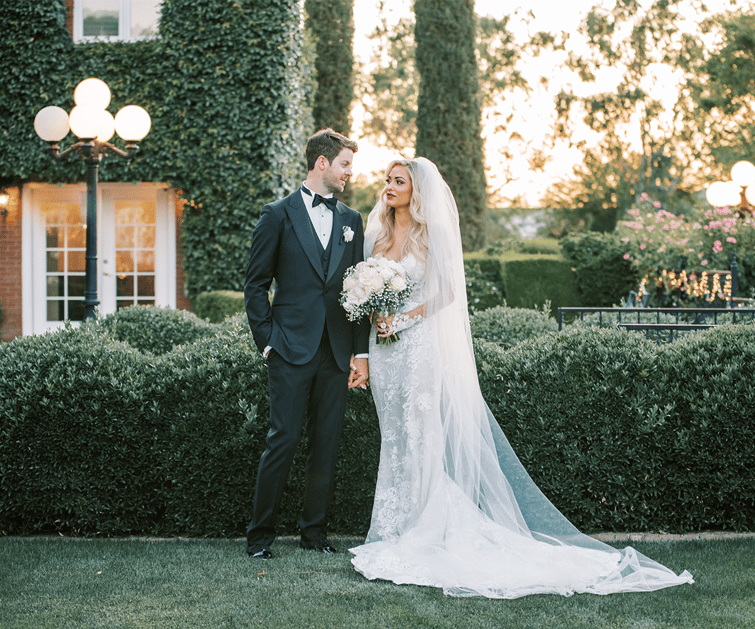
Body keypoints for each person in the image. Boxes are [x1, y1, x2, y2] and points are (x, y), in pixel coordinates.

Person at [349, 157, 693, 598]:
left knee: (422, 433)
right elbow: (367, 287)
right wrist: (378, 318)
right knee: (394, 435)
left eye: (399, 181)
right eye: (387, 180)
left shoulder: (427, 233)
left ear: (418, 191)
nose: (389, 186)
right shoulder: (375, 233)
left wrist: (405, 319)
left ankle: (425, 527)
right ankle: (393, 527)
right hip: (385, 352)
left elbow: (448, 291)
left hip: (417, 348)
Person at [244, 129, 370, 560]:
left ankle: (314, 534)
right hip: (289, 349)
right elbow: (256, 285)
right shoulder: (276, 214)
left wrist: (360, 352)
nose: (349, 173)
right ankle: (260, 537)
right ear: (322, 163)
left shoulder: (352, 221)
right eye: (345, 164)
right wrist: (267, 343)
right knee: (283, 439)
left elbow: (358, 293)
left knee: (327, 444)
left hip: (335, 352)